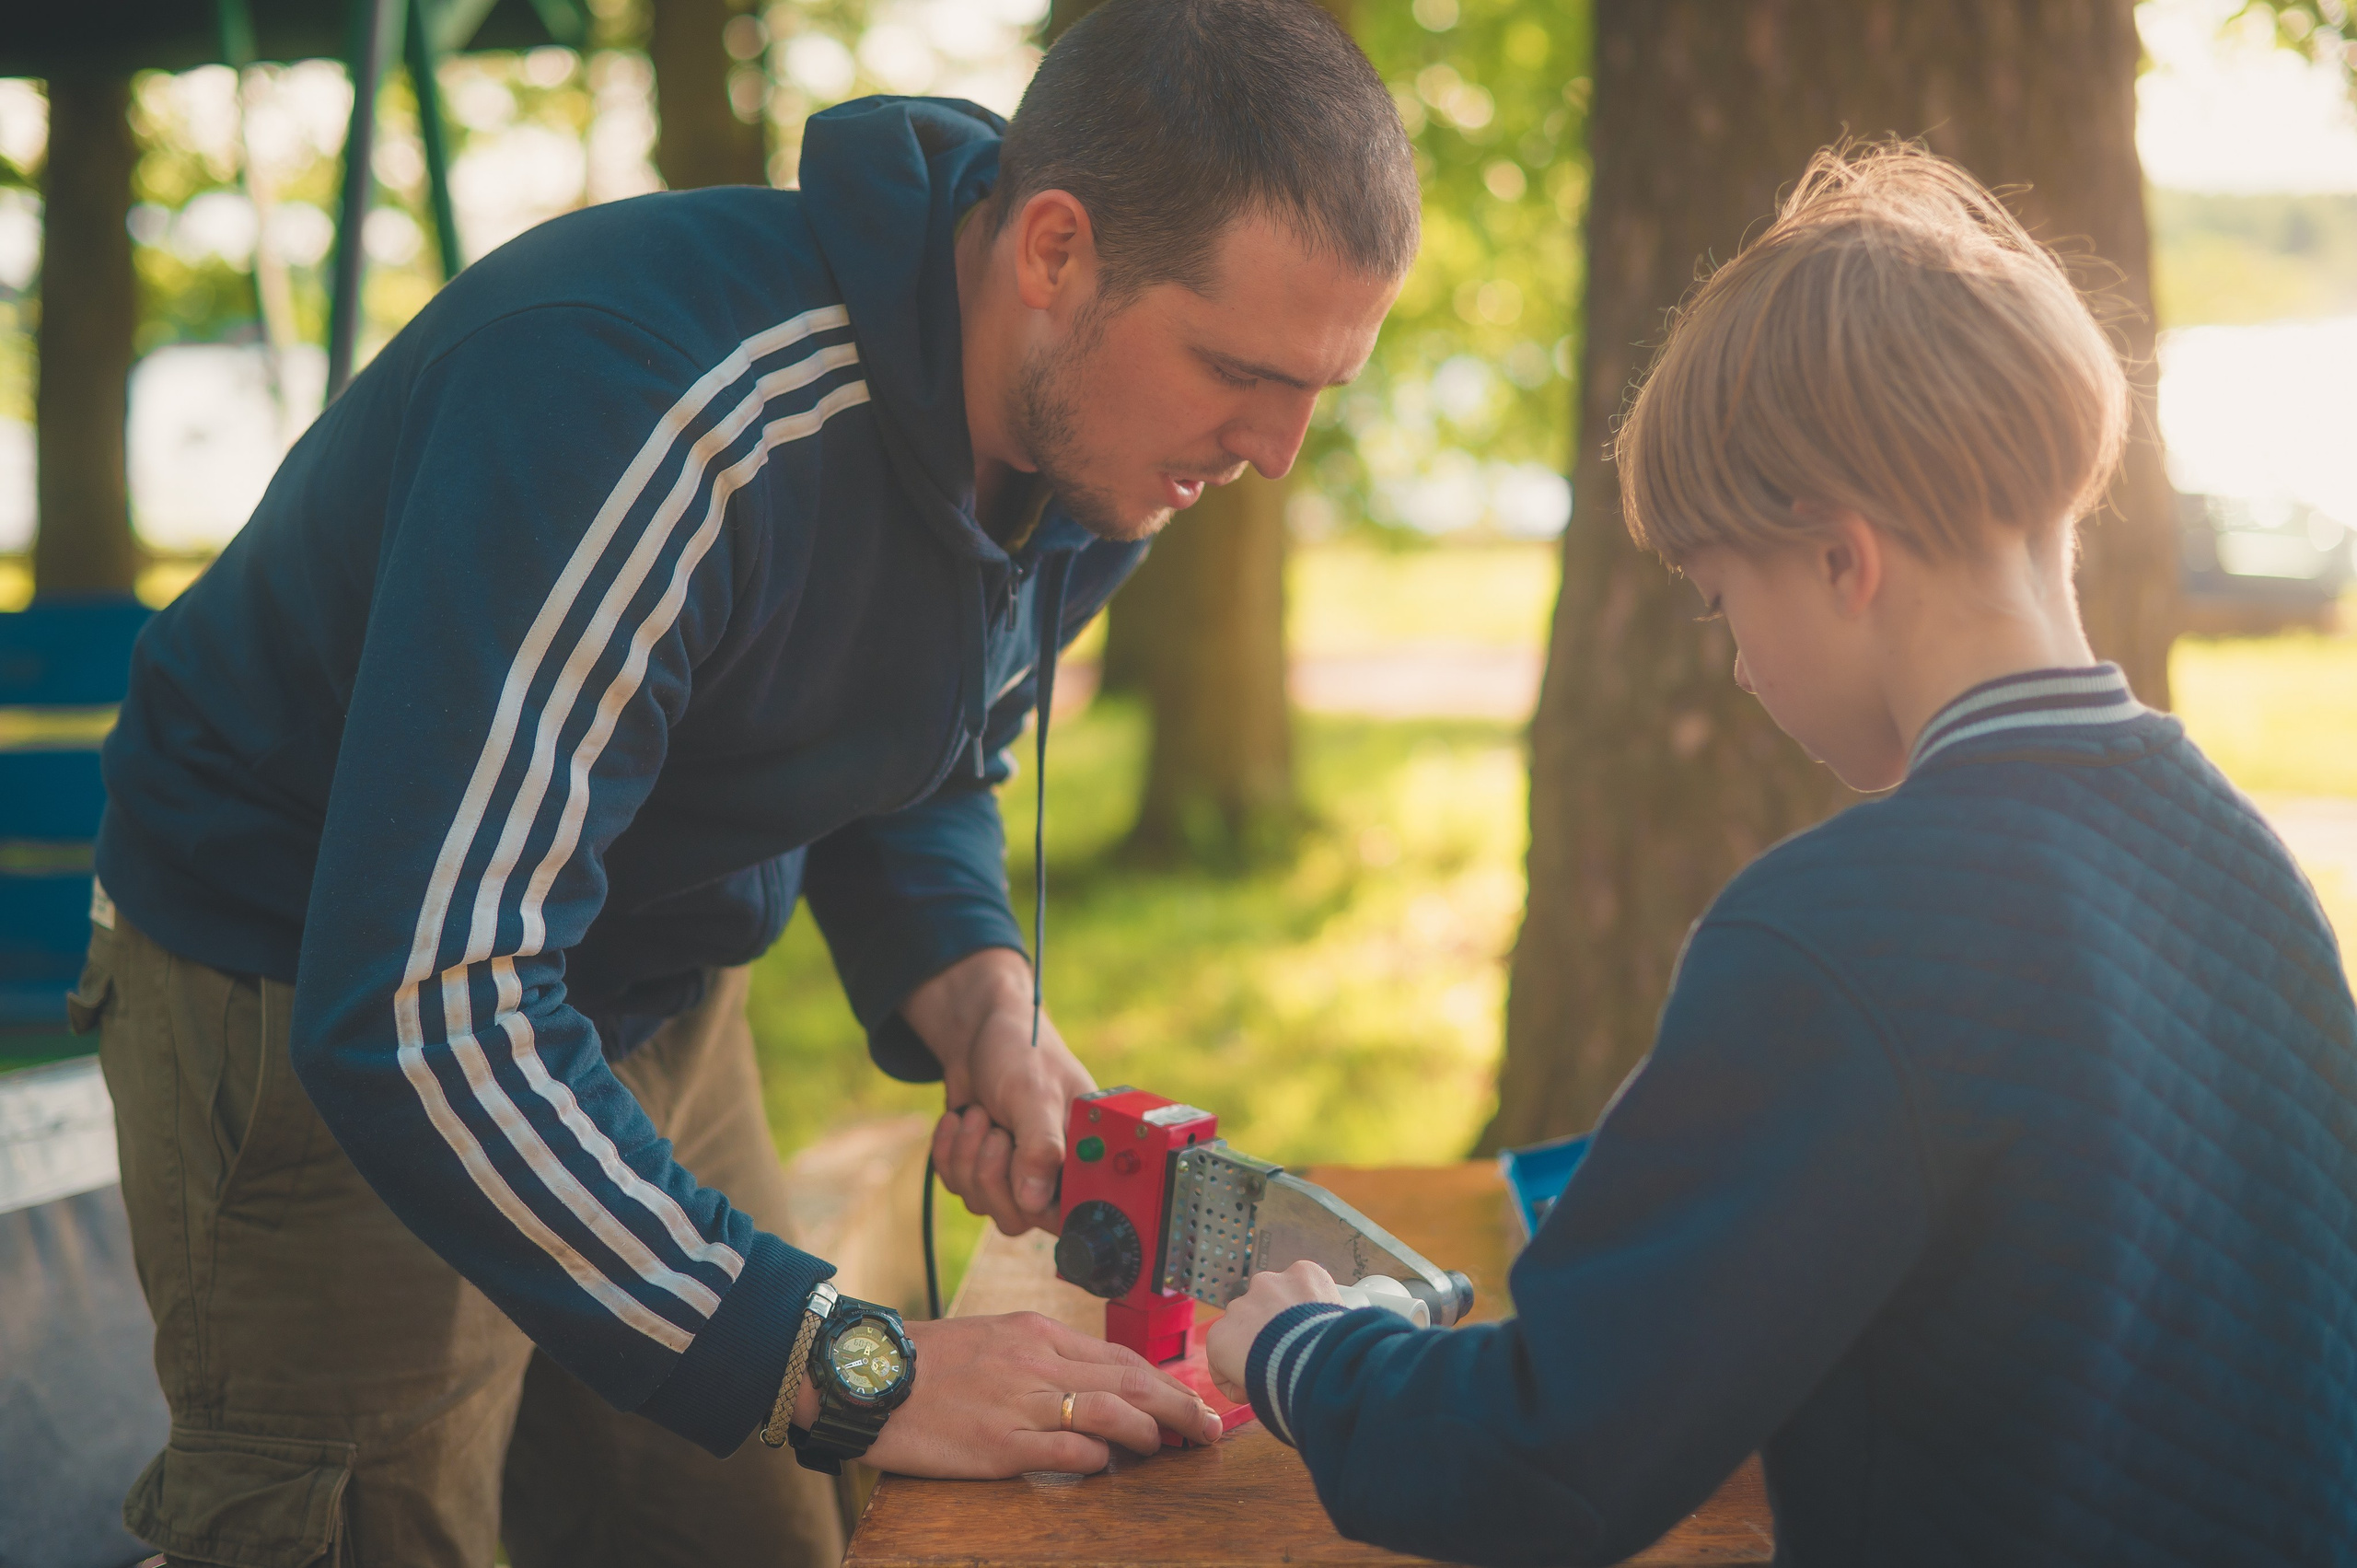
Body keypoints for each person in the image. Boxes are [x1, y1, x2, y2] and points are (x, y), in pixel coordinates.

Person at [75, 1, 1416, 1562]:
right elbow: (426, 1003)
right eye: (1243, 372)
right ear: (1056, 252)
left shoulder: (1102, 449)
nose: (1278, 451)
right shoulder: (651, 406)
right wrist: (850, 1364)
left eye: (1325, 390)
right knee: (394, 1526)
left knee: (751, 1529)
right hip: (318, 1000)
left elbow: (912, 745)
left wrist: (977, 995)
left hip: (643, 985)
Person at [1208, 143, 2357, 1566]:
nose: (1741, 667)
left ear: (1839, 556)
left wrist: (1309, 1354)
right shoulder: (2247, 869)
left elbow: (1546, 1457)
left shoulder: (1841, 933)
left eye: (1718, 598)